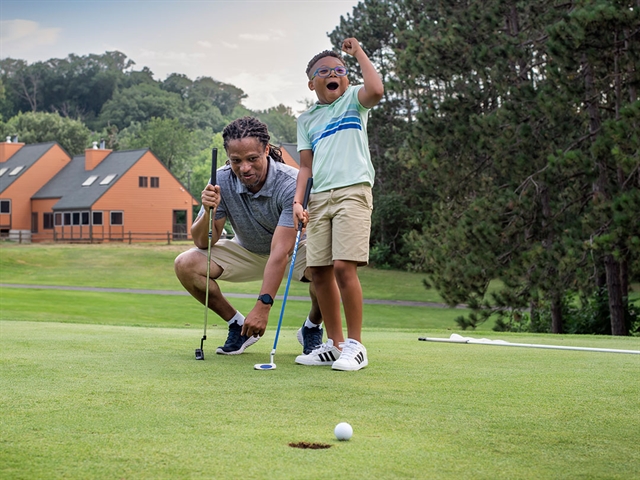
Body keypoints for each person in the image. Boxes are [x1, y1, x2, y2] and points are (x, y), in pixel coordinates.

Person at [175, 116, 323, 356]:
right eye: (236, 160)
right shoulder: (221, 179)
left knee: (329, 267)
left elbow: (281, 250)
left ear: (266, 150)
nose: (244, 168)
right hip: (246, 251)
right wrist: (208, 212)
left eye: (252, 158)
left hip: (293, 252)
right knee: (185, 264)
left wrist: (263, 306)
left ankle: (312, 327)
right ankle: (236, 324)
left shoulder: (290, 183)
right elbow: (203, 242)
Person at [293, 38, 384, 371]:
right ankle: (335, 344)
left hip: (352, 193)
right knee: (317, 271)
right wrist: (297, 202)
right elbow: (305, 167)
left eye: (339, 70)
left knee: (345, 267)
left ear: (346, 78)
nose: (333, 74)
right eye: (324, 71)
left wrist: (357, 52)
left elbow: (376, 90)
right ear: (311, 82)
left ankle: (356, 346)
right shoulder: (306, 120)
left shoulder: (353, 102)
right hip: (318, 199)